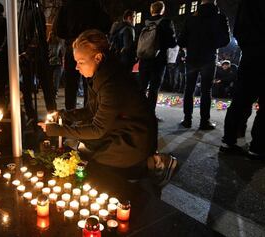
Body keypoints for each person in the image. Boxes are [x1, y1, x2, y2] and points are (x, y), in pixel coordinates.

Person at [38, 29, 176, 185]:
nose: (77, 67)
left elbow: (98, 129)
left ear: (98, 57)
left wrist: (56, 130)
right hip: (120, 127)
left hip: (135, 136)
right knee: (87, 148)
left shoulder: (112, 83)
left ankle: (152, 165)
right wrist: (64, 115)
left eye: (81, 62)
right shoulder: (99, 75)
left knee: (100, 163)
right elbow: (91, 110)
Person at [221, 0, 265, 161]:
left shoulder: (247, 4)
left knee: (241, 98)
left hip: (250, 54)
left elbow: (238, 29)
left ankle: (229, 141)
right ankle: (258, 148)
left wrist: (248, 46)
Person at [178, 0, 230, 130]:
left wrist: (191, 45)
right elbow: (226, 40)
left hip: (192, 58)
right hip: (209, 58)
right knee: (206, 91)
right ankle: (204, 122)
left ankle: (187, 120)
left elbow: (181, 40)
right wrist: (212, 44)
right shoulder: (220, 17)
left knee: (189, 89)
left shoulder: (191, 19)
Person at [53, 0, 111, 110]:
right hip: (90, 48)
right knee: (90, 85)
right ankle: (89, 115)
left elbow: (58, 29)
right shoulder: (95, 4)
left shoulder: (67, 5)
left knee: (71, 85)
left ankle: (70, 115)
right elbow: (106, 24)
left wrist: (71, 37)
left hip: (72, 47)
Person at [138, 1, 177, 121]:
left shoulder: (144, 23)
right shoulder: (166, 22)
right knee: (154, 88)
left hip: (144, 59)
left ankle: (137, 112)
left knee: (142, 86)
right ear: (163, 10)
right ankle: (150, 114)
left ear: (151, 10)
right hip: (158, 60)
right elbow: (172, 42)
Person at [109, 9, 136, 74]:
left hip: (116, 57)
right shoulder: (129, 29)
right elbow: (127, 46)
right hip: (126, 59)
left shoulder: (117, 27)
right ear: (129, 18)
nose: (135, 20)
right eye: (134, 17)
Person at [47, 31, 64, 96]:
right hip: (50, 63)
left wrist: (62, 63)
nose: (53, 37)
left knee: (56, 79)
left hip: (57, 63)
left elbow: (61, 54)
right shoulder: (48, 44)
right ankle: (51, 92)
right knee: (50, 79)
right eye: (51, 35)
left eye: (54, 35)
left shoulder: (59, 44)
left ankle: (55, 92)